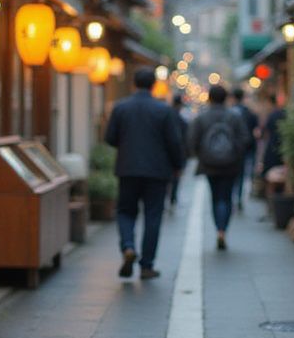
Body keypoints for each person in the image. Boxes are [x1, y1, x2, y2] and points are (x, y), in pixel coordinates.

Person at [105, 68, 185, 279]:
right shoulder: (164, 110)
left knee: (125, 211)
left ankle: (128, 247)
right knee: (153, 216)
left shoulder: (121, 108)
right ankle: (147, 265)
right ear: (152, 86)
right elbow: (174, 142)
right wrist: (178, 165)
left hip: (128, 168)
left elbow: (110, 138)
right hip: (157, 171)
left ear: (134, 84)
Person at [188, 85, 251, 250]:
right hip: (231, 164)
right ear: (226, 98)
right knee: (227, 197)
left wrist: (202, 155)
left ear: (209, 98)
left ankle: (218, 228)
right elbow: (245, 138)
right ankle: (222, 231)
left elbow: (192, 141)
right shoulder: (234, 117)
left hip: (209, 165)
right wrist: (235, 153)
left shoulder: (202, 118)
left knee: (215, 197)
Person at [229, 87, 260, 212]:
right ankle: (239, 198)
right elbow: (255, 129)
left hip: (230, 149)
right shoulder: (249, 113)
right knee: (242, 174)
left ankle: (232, 197)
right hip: (246, 148)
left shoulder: (229, 113)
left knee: (231, 174)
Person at [167, 93, 188, 208]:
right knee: (175, 178)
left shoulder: (166, 115)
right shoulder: (182, 121)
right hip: (177, 152)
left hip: (165, 154)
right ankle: (173, 197)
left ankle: (169, 196)